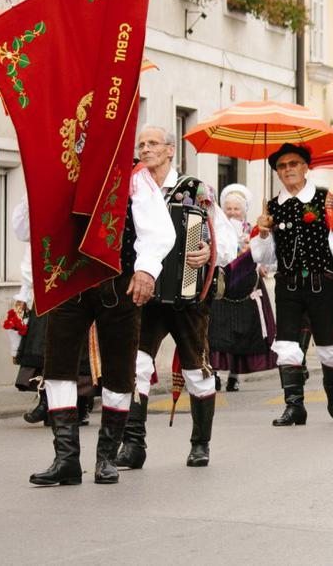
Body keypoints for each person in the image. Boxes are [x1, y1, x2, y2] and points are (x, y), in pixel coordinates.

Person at [30, 158, 175, 486]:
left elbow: (160, 229)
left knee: (120, 368)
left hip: (117, 280)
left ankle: (107, 457)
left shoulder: (133, 170)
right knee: (58, 366)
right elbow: (25, 227)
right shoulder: (56, 160)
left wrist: (147, 268)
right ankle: (66, 459)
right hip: (67, 278)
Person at [115, 126, 238, 471]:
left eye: (152, 143)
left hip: (188, 295)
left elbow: (225, 240)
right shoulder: (132, 186)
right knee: (136, 365)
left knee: (196, 369)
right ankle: (133, 444)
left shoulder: (196, 190)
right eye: (141, 144)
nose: (145, 149)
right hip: (146, 293)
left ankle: (200, 444)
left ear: (171, 150)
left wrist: (208, 250)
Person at [251, 143, 333, 426]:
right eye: (282, 166)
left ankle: (332, 390)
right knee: (287, 344)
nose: (288, 169)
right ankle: (295, 406)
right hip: (287, 285)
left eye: (294, 164)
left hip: (322, 284)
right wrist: (264, 233)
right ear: (277, 172)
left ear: (305, 167)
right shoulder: (271, 207)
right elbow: (264, 258)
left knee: (328, 346)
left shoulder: (325, 199)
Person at [10, 197, 96, 427]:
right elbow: (23, 232)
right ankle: (46, 400)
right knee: (46, 344)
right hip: (51, 280)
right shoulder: (49, 197)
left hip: (81, 277)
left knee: (80, 349)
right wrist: (32, 199)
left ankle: (80, 403)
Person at [208, 184, 278, 393]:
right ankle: (214, 373)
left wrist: (263, 266)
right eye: (228, 208)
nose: (232, 212)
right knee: (217, 332)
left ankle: (234, 376)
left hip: (247, 286)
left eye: (236, 209)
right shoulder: (217, 228)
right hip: (223, 286)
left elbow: (266, 252)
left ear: (244, 210)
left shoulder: (255, 230)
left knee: (242, 332)